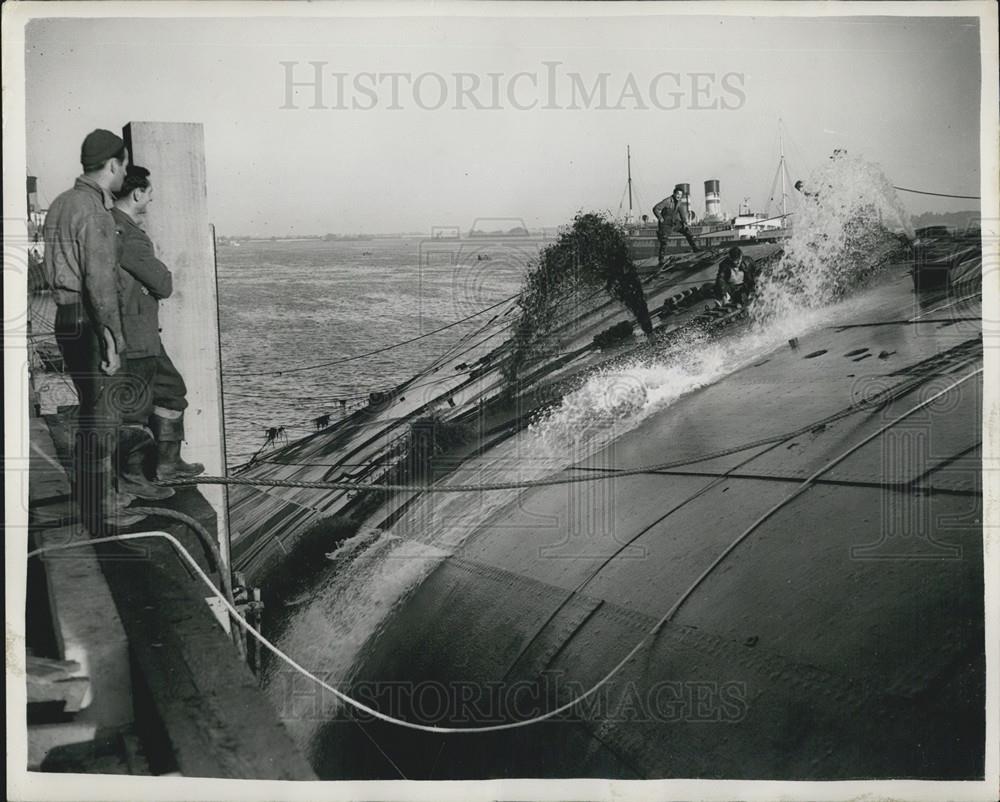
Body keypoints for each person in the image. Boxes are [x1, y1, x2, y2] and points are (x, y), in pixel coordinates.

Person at [42, 129, 167, 529]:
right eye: (124, 166)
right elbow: (98, 282)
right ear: (114, 166)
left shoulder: (62, 203)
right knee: (105, 415)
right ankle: (103, 507)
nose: (123, 174)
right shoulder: (94, 212)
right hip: (90, 318)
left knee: (92, 407)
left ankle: (100, 496)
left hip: (66, 317)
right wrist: (112, 337)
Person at [112, 165, 204, 482]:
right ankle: (136, 479)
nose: (149, 202)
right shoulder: (128, 235)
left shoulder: (112, 226)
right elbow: (163, 284)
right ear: (138, 193)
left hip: (140, 334)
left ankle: (167, 464)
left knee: (170, 390)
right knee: (134, 406)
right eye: (149, 195)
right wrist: (159, 263)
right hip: (136, 337)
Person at [653, 187, 699, 267]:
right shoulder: (667, 201)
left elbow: (682, 214)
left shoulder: (679, 202)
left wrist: (685, 222)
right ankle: (661, 260)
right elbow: (655, 208)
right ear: (674, 193)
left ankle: (695, 249)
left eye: (680, 195)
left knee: (687, 232)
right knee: (664, 241)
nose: (679, 196)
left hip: (674, 223)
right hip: (665, 224)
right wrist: (660, 218)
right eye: (677, 194)